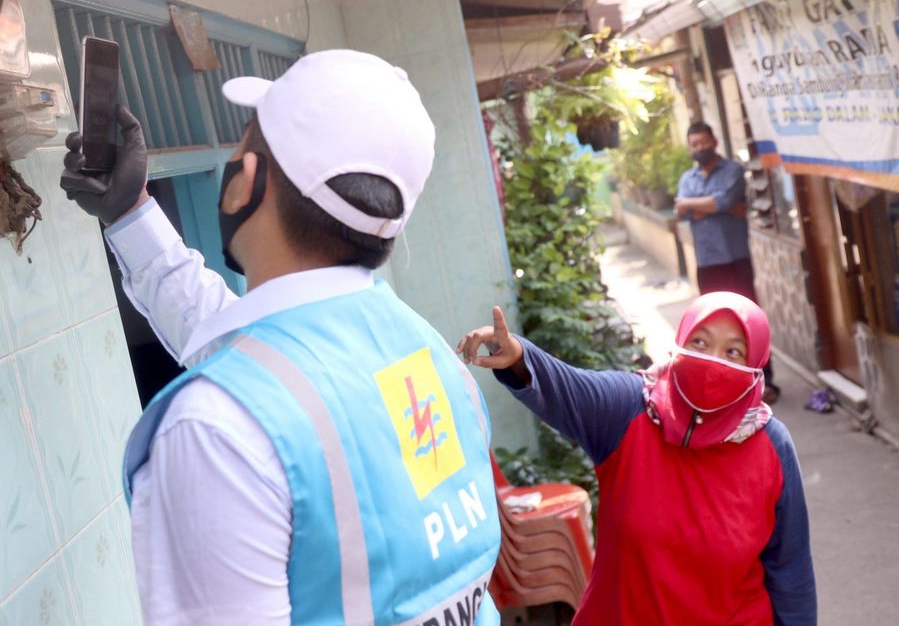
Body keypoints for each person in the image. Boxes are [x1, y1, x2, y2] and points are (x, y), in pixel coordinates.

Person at [60, 50, 501, 624]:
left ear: (244, 184)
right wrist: (130, 214)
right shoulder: (435, 362)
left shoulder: (215, 431)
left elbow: (260, 392)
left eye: (242, 144)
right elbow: (255, 355)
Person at [458, 292, 817, 625]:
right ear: (680, 344)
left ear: (756, 368)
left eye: (733, 353)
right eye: (701, 343)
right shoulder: (632, 408)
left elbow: (790, 569)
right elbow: (569, 387)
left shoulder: (771, 445)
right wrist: (520, 356)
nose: (712, 363)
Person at [674, 121, 780, 402]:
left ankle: (763, 381)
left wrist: (698, 206)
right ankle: (725, 384)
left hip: (736, 260)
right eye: (694, 144)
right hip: (707, 263)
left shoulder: (732, 170)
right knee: (713, 327)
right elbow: (682, 212)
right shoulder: (688, 178)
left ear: (714, 141)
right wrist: (711, 206)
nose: (699, 149)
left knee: (748, 322)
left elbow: (722, 201)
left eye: (703, 143)